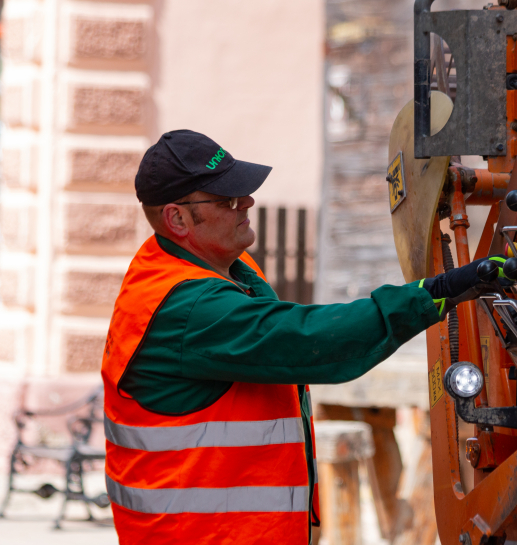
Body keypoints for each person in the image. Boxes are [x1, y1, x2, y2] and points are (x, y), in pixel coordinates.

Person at [101, 129, 491, 544]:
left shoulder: (215, 271)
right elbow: (310, 339)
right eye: (227, 199)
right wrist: (435, 293)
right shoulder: (187, 305)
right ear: (177, 218)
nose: (246, 203)